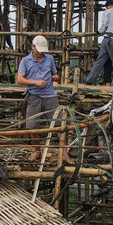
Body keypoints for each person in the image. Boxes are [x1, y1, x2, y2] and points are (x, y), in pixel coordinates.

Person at [16, 35, 73, 164]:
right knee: (33, 126)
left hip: (50, 96)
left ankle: (64, 153)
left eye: (42, 50)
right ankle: (37, 150)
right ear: (32, 47)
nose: (40, 52)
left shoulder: (50, 59)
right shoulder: (25, 61)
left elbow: (54, 74)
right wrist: (35, 83)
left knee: (60, 125)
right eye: (38, 50)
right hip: (34, 96)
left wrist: (55, 77)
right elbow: (20, 79)